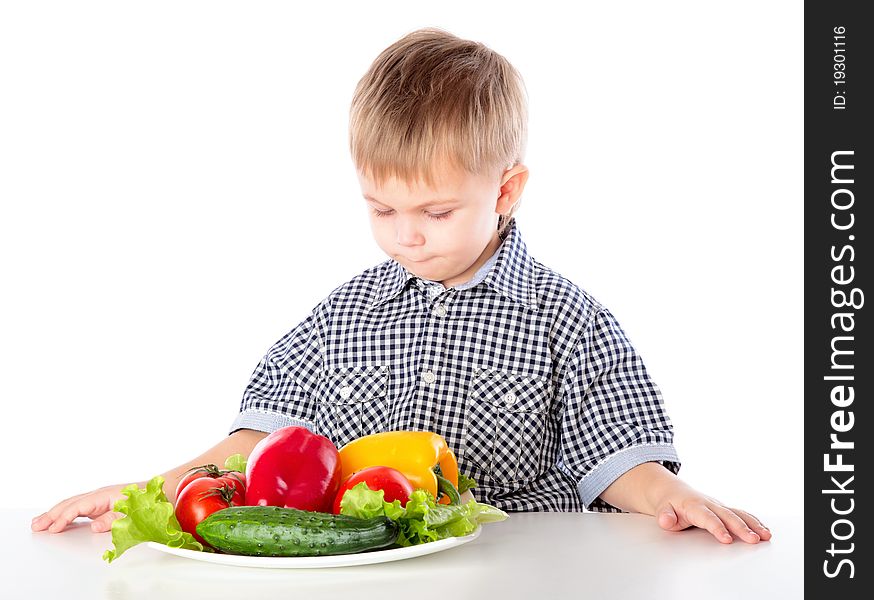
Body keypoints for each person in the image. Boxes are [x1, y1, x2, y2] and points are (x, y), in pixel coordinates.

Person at [32, 27, 770, 545]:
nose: (406, 235)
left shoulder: (567, 319)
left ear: (506, 190)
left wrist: (676, 499)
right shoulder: (341, 314)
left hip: (517, 572)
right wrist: (149, 492)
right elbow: (257, 442)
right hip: (366, 573)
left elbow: (618, 462)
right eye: (381, 209)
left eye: (436, 211)